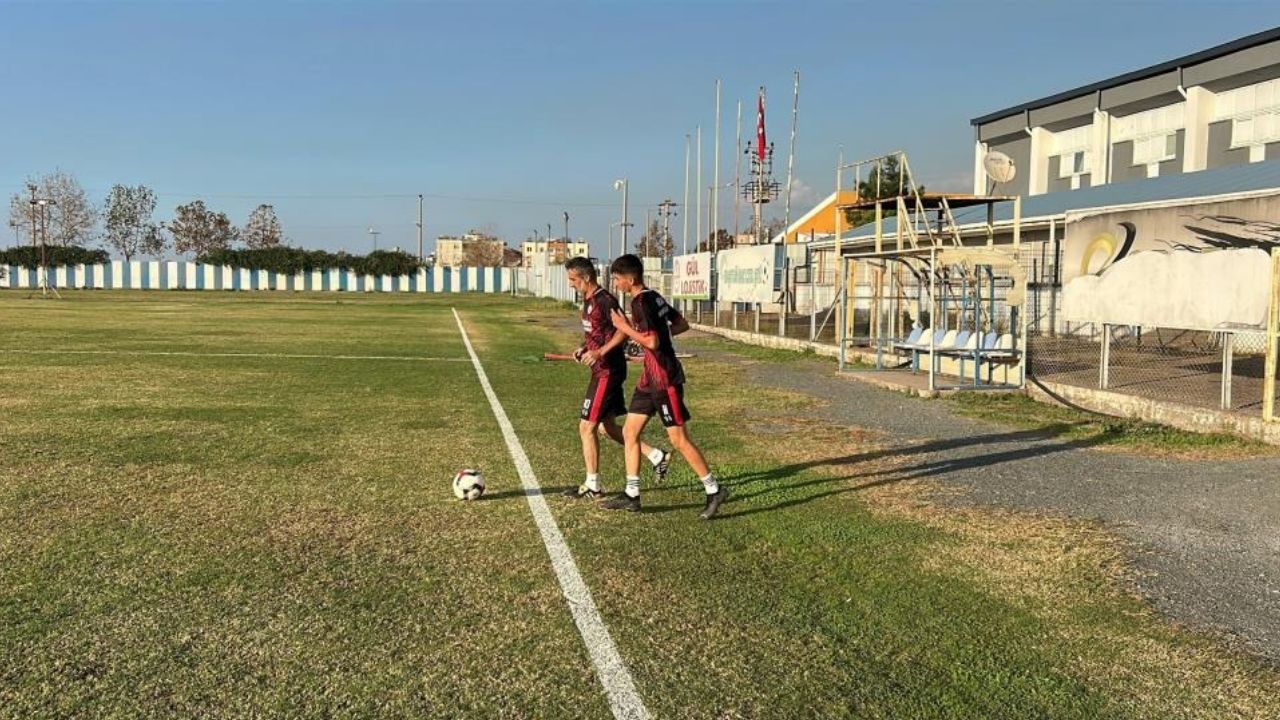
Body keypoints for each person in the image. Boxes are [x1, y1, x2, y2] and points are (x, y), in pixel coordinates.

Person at [603, 254, 728, 519]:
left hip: (664, 379)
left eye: (617, 279)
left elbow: (652, 343)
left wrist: (625, 328)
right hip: (649, 379)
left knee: (678, 439)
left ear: (631, 278)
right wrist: (657, 338)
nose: (615, 284)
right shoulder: (655, 296)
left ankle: (714, 489)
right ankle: (632, 495)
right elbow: (681, 324)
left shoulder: (640, 303)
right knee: (630, 432)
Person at [561, 256, 670, 500]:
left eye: (573, 279)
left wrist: (600, 352)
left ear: (586, 278)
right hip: (599, 369)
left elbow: (623, 329)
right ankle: (656, 455)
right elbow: (597, 333)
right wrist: (583, 347)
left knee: (586, 427)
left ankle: (593, 485)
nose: (570, 284)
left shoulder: (604, 300)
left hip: (608, 371)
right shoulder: (588, 301)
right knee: (605, 427)